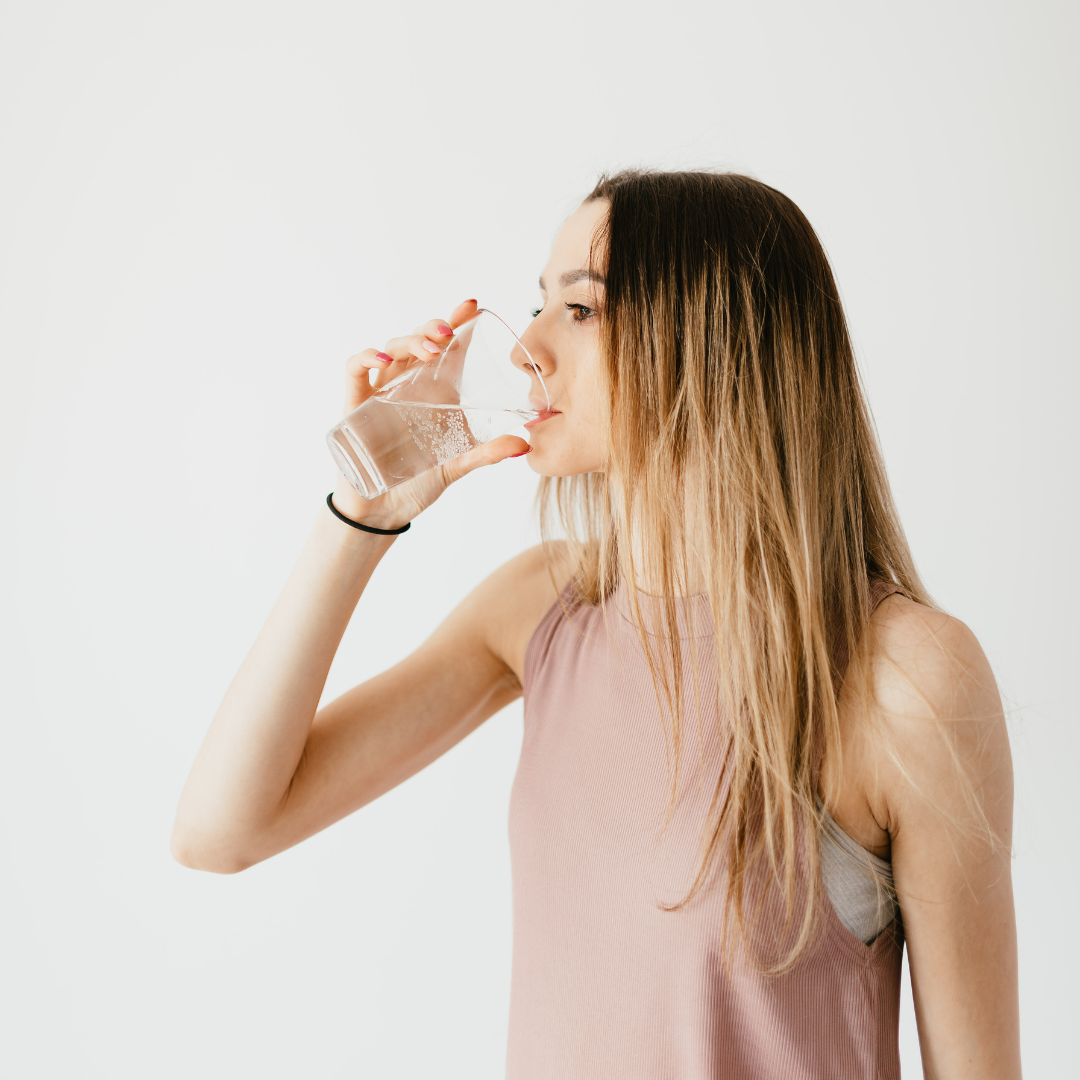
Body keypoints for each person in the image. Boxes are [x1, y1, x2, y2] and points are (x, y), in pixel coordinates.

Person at [171, 170, 1021, 1079]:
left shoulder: (907, 676)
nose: (523, 349)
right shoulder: (539, 610)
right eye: (540, 304)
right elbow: (221, 831)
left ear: (712, 337)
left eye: (579, 310)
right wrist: (362, 513)